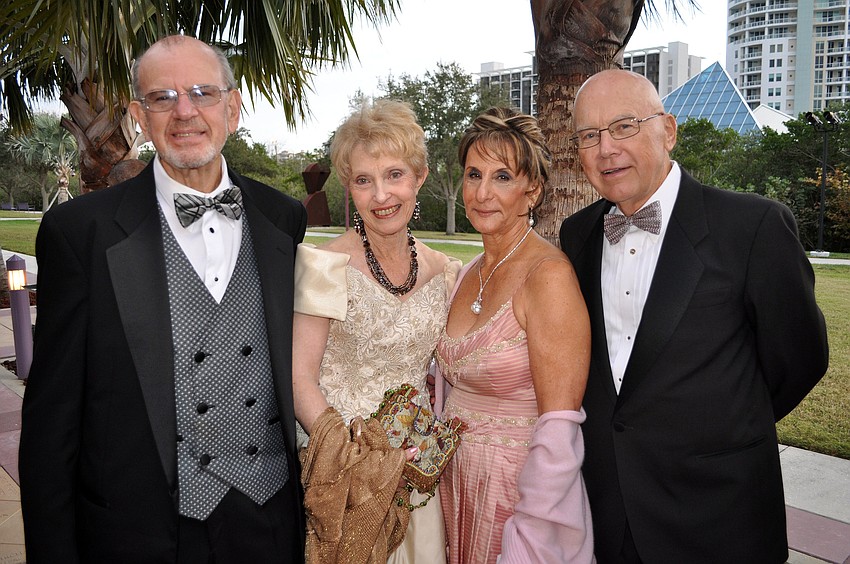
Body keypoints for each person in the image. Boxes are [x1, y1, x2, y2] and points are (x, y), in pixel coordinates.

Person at [19, 35, 307, 563]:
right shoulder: (80, 232)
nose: (184, 112)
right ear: (138, 115)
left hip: (270, 524)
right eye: (162, 98)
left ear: (233, 107)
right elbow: (51, 422)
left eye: (202, 92)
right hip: (140, 533)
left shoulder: (284, 219)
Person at [559, 69, 830, 563]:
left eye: (623, 126)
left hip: (719, 514)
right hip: (610, 512)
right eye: (588, 135)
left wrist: (719, 428)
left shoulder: (753, 227)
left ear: (668, 130)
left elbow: (801, 361)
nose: (605, 149)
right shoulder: (578, 234)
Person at [292, 99, 461, 563]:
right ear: (349, 186)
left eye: (394, 175)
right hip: (344, 475)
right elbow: (299, 377)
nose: (381, 195)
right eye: (364, 180)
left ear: (419, 177)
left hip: (415, 477)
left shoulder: (447, 272)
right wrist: (349, 456)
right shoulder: (323, 265)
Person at [435, 107, 594, 564]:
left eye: (502, 177)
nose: (483, 193)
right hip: (454, 483)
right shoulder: (466, 273)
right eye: (473, 174)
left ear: (533, 191)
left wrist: (532, 534)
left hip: (514, 494)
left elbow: (560, 427)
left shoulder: (548, 277)